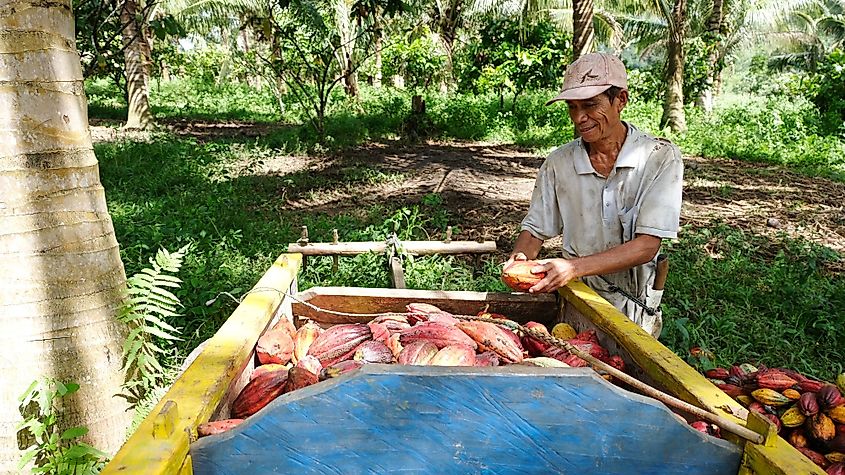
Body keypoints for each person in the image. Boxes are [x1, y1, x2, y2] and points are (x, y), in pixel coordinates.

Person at [504, 52, 683, 337]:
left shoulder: (659, 158)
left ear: (620, 100)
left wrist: (573, 267)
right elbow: (536, 228)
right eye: (572, 107)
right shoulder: (558, 163)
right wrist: (520, 260)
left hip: (633, 305)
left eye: (590, 105)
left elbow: (647, 245)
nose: (579, 118)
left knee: (625, 375)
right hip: (578, 299)